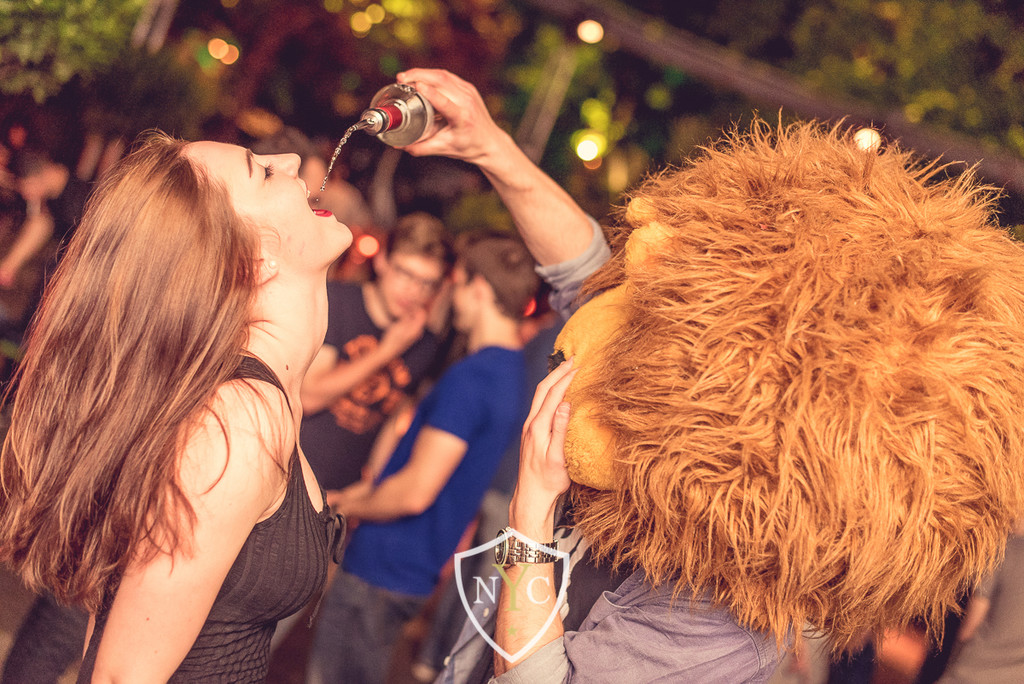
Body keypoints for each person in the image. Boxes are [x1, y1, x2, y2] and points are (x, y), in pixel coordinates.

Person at [395, 68, 1024, 682]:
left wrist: (531, 510)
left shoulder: (717, 617)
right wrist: (491, 147)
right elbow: (587, 275)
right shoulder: (675, 390)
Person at [0, 132, 351, 682]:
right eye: (262, 172)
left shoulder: (263, 400)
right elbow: (120, 674)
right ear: (252, 260)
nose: (290, 161)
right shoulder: (234, 425)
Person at [305, 231, 539, 684]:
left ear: (478, 288)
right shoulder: (514, 372)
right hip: (417, 566)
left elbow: (415, 492)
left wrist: (347, 503)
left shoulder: (473, 377)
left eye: (455, 284)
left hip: (384, 563)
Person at [300, 212, 453, 493]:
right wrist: (387, 351)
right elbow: (308, 398)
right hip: (292, 473)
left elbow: (392, 420)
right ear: (382, 261)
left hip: (339, 492)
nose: (413, 290)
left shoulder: (425, 344)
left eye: (427, 283)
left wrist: (372, 485)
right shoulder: (336, 301)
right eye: (405, 273)